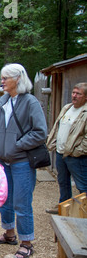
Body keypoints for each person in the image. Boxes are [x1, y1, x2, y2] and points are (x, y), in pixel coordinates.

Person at [0, 63, 47, 258]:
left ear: (18, 79)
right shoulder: (2, 101)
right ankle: (9, 234)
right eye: (2, 77)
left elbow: (40, 132)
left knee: (22, 203)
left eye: (6, 77)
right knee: (5, 200)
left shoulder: (30, 102)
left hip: (22, 161)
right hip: (3, 161)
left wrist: (17, 144)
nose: (2, 81)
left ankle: (26, 242)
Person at [46, 83, 87, 213]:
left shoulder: (85, 112)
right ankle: (63, 207)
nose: (74, 96)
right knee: (63, 182)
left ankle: (83, 211)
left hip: (76, 156)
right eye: (73, 92)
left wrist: (77, 151)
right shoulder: (67, 108)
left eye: (78, 94)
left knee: (82, 186)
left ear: (86, 97)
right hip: (61, 153)